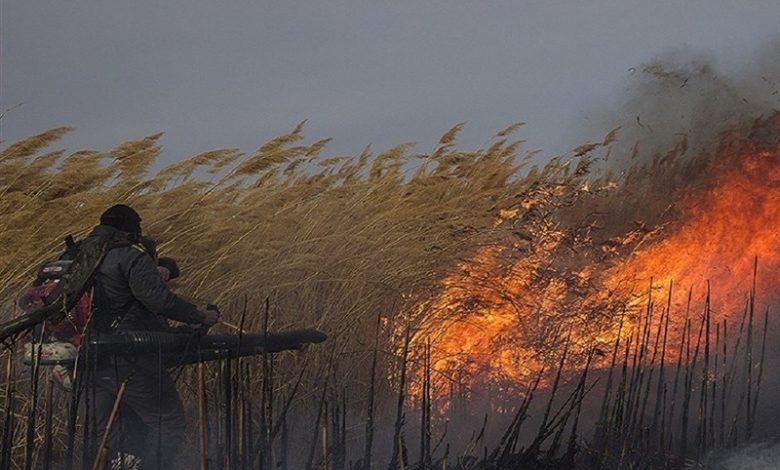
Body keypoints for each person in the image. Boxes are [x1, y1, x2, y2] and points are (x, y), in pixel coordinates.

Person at [86, 204, 219, 469]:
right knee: (168, 422)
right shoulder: (129, 254)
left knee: (107, 435)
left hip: (86, 360)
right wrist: (199, 316)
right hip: (127, 354)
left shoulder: (78, 252)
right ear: (132, 231)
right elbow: (160, 301)